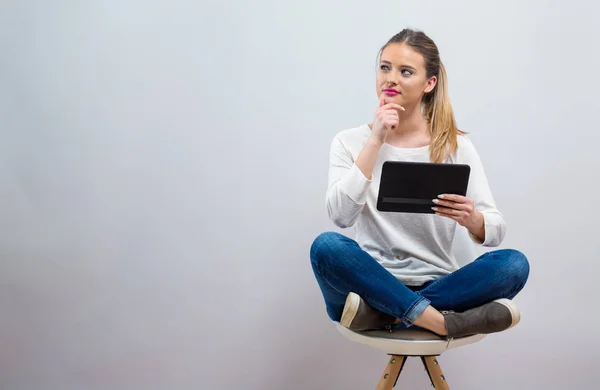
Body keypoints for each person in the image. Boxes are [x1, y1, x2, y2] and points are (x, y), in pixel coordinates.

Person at [309, 28, 530, 339]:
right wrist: (375, 140)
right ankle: (441, 322)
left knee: (514, 264)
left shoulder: (454, 145)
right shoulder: (349, 142)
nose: (390, 79)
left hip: (436, 284)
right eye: (384, 67)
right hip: (370, 282)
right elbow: (341, 217)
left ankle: (390, 316)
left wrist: (473, 220)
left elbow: (495, 230)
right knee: (326, 247)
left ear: (429, 83)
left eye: (405, 71)